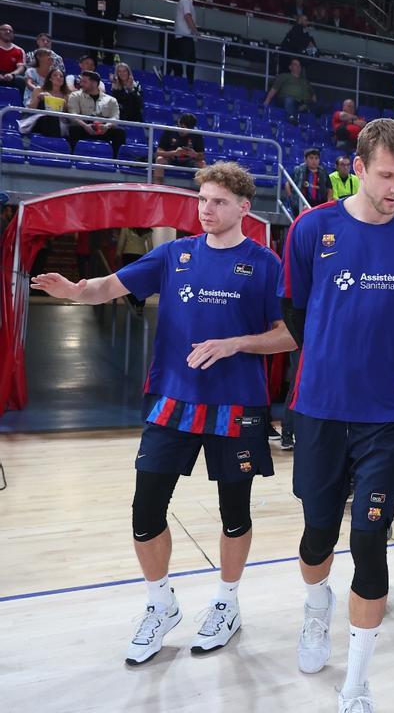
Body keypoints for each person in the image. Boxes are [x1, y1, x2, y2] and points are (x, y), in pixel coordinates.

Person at [30, 162, 293, 664]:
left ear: (243, 208)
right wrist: (73, 289)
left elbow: (290, 334)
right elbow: (106, 287)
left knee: (234, 513)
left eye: (219, 201)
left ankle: (227, 602)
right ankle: (160, 604)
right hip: (172, 400)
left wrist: (236, 343)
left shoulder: (265, 264)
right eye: (203, 200)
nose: (207, 209)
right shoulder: (174, 254)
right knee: (145, 510)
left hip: (236, 405)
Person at [280, 119, 394, 712]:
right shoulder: (312, 228)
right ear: (357, 167)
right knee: (318, 532)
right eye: (386, 176)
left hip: (391, 414)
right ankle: (315, 609)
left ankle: (356, 678)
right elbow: (297, 314)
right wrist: (336, 355)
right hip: (322, 408)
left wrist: (389, 365)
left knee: (371, 538)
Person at [65, 70, 125, 154]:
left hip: (103, 127)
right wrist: (85, 126)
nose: (81, 84)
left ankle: (116, 162)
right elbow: (73, 114)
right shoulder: (75, 95)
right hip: (84, 126)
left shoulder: (111, 100)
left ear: (94, 83)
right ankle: (71, 157)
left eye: (84, 82)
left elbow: (115, 117)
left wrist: (106, 126)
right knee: (73, 130)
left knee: (120, 133)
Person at [153, 112, 206, 184]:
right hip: (171, 159)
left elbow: (202, 156)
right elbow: (158, 152)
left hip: (189, 161)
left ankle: (203, 191)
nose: (183, 131)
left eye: (187, 129)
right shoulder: (169, 130)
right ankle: (157, 187)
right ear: (178, 123)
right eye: (181, 127)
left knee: (202, 164)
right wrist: (174, 153)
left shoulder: (197, 134)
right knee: (159, 160)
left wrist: (194, 154)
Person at [84, 0, 121, 64]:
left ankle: (108, 65)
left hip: (108, 24)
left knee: (108, 45)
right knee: (93, 45)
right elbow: (88, 6)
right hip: (94, 23)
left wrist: (107, 16)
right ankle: (91, 65)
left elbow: (116, 9)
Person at [24, 67, 68, 137]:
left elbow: (64, 116)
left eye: (61, 76)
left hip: (58, 123)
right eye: (55, 75)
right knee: (43, 103)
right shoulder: (39, 90)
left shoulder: (66, 95)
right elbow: (31, 109)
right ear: (50, 79)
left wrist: (64, 105)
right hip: (39, 120)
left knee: (54, 117)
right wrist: (38, 98)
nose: (58, 77)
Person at [171, 0, 199, 82]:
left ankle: (186, 80)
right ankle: (188, 82)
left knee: (190, 59)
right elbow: (187, 16)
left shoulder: (186, 2)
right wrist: (195, 31)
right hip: (185, 35)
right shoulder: (186, 1)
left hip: (185, 35)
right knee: (185, 58)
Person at [0, 24, 25, 92]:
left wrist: (12, 74)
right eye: (4, 30)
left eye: (10, 31)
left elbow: (21, 67)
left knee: (21, 80)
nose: (8, 32)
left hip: (10, 76)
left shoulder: (19, 50)